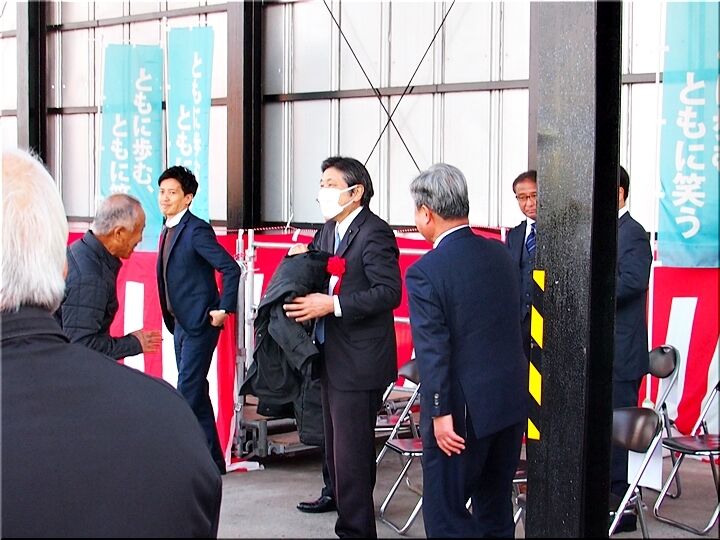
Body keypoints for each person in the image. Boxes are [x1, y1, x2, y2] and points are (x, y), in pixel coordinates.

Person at [1, 148, 222, 538]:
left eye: (171, 192)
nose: (139, 242)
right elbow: (82, 344)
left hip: (193, 328)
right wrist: (131, 343)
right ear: (61, 269)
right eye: (162, 192)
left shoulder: (178, 233)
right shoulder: (162, 417)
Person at [405, 163, 527, 537]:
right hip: (508, 402)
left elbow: (433, 351)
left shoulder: (426, 270)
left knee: (446, 515)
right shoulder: (501, 254)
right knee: (495, 509)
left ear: (426, 212)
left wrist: (439, 412)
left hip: (460, 412)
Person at [284, 156, 402, 538]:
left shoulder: (374, 232)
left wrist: (332, 304)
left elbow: (389, 292)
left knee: (351, 452)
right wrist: (302, 259)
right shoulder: (329, 229)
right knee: (336, 446)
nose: (323, 191)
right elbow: (320, 267)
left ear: (356, 192)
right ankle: (341, 504)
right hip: (329, 352)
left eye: (331, 184)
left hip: (359, 359)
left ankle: (356, 529)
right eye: (322, 184)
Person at [156, 165, 241, 475]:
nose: (165, 198)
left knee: (187, 392)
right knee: (197, 393)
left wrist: (224, 309)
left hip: (200, 324)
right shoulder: (167, 227)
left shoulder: (196, 230)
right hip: (179, 323)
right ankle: (213, 462)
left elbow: (230, 268)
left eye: (172, 192)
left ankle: (174, 460)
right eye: (162, 191)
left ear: (188, 198)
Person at [58, 194, 161, 359]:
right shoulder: (89, 278)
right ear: (119, 233)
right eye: (139, 230)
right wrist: (133, 344)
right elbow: (81, 348)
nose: (141, 239)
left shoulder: (81, 251)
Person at [611, 165, 652, 533]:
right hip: (601, 355)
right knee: (601, 432)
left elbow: (633, 283)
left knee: (617, 435)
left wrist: (590, 287)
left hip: (621, 355)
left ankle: (621, 509)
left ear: (620, 192)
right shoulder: (603, 232)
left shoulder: (633, 233)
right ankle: (606, 502)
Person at [505, 169, 537, 360]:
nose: (529, 203)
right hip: (520, 321)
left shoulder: (561, 232)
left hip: (550, 322)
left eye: (534, 195)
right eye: (523, 197)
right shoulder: (515, 235)